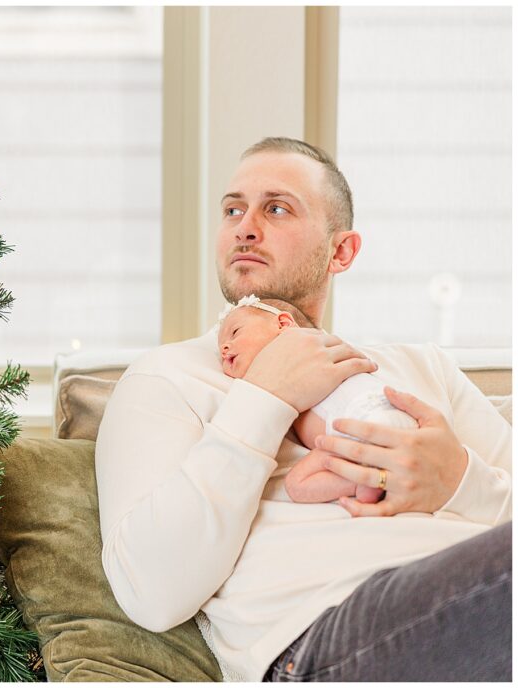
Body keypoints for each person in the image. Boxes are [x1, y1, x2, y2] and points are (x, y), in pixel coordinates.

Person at [95, 137, 511, 681]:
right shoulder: (168, 377)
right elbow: (150, 592)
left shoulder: (421, 366)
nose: (245, 225)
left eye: (277, 207)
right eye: (232, 209)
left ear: (342, 251)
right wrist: (265, 396)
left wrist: (460, 481)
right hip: (327, 636)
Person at [216, 294, 416, 505]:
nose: (224, 348)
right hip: (348, 445)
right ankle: (363, 482)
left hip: (376, 411)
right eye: (221, 349)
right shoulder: (252, 394)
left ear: (283, 323)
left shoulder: (306, 344)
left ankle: (369, 477)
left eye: (236, 332)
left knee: (298, 484)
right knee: (296, 485)